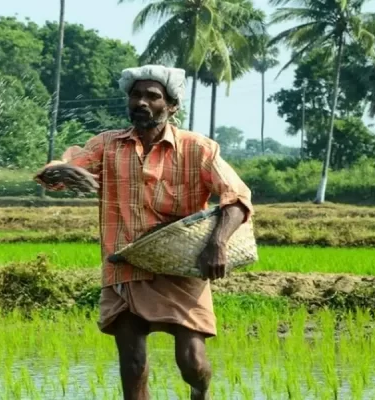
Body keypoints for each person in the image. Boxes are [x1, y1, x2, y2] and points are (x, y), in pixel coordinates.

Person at [34, 64, 254, 400]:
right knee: (134, 363)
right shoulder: (107, 146)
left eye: (152, 96)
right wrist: (60, 171)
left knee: (192, 362)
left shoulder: (198, 148)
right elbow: (58, 171)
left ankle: (201, 393)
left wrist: (218, 244)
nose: (142, 102)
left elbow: (236, 198)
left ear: (171, 105)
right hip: (125, 265)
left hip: (180, 265)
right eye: (136, 95)